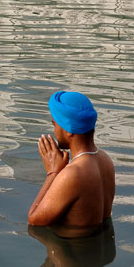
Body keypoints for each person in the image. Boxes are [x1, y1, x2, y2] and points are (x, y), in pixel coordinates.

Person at [28, 91, 115, 235]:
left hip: (71, 255)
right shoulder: (105, 160)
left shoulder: (73, 174)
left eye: (55, 125)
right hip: (94, 251)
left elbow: (35, 221)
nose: (54, 131)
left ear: (69, 129)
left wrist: (53, 173)